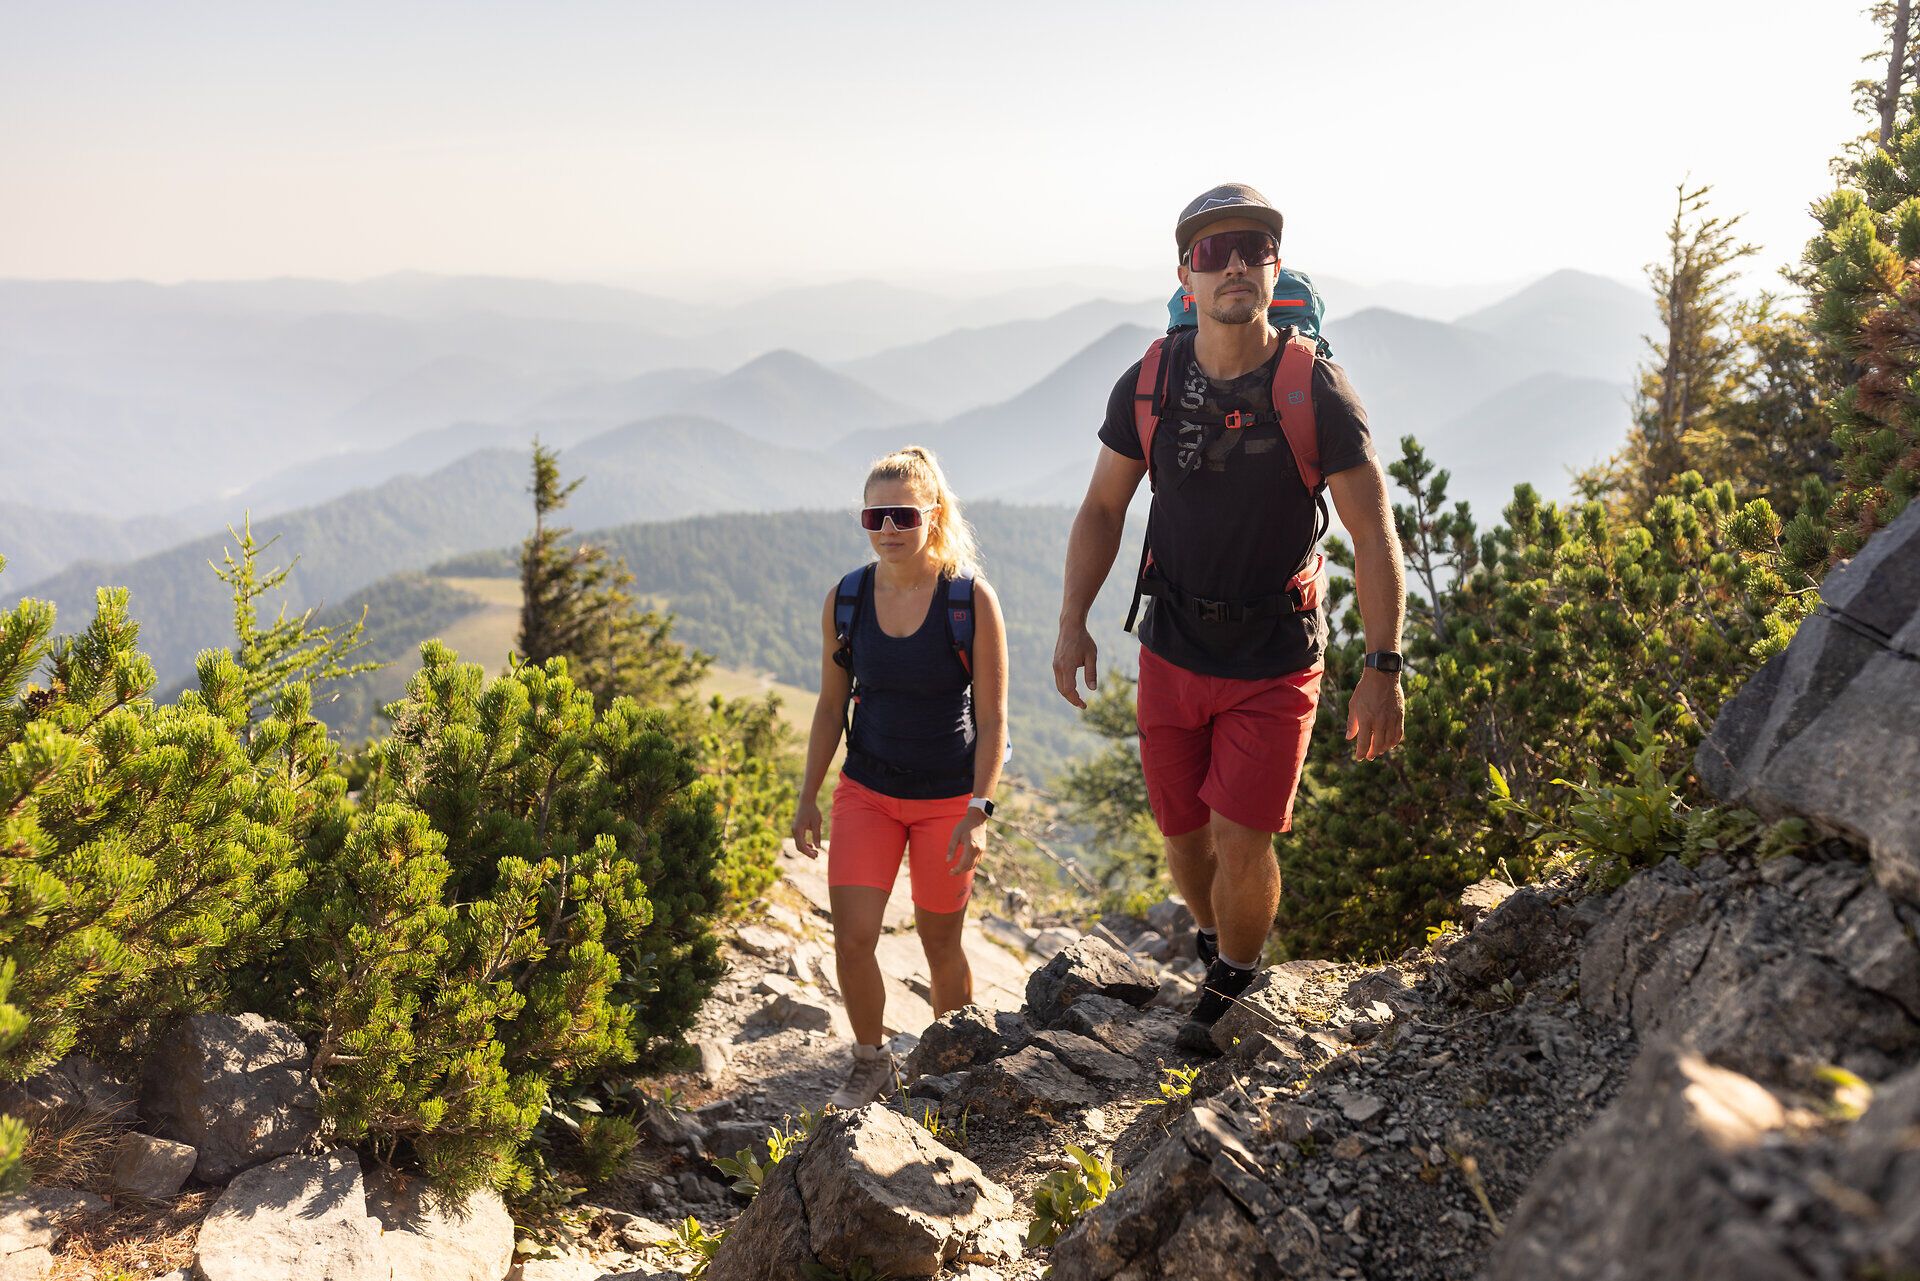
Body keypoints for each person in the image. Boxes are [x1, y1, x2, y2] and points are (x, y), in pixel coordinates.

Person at [1052, 183, 1406, 1055]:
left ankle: (1233, 991)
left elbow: (1373, 531)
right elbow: (1103, 508)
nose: (1236, 262)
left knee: (1242, 839)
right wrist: (1072, 621)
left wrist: (1384, 664)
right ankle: (1216, 946)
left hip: (1274, 654)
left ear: (1273, 264)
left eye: (1252, 246)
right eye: (1214, 252)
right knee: (1182, 835)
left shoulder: (1316, 389)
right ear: (1187, 274)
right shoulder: (1152, 382)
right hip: (1172, 640)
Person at [792, 445, 1010, 1108]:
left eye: (903, 516)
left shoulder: (970, 601)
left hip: (948, 798)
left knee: (940, 940)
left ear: (933, 515)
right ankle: (870, 1061)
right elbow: (831, 706)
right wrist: (808, 797)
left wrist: (981, 808)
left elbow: (996, 715)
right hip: (868, 792)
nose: (888, 528)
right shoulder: (848, 598)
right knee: (853, 935)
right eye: (874, 515)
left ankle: (951, 1064)